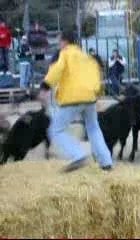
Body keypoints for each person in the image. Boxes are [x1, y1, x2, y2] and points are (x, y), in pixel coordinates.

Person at [38, 30, 113, 173]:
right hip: (90, 98)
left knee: (55, 129)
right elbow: (96, 76)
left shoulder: (65, 54)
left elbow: (57, 71)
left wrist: (45, 87)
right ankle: (106, 161)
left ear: (65, 41)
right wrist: (96, 95)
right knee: (93, 128)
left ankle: (78, 155)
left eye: (60, 41)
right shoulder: (86, 57)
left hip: (72, 98)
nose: (59, 44)